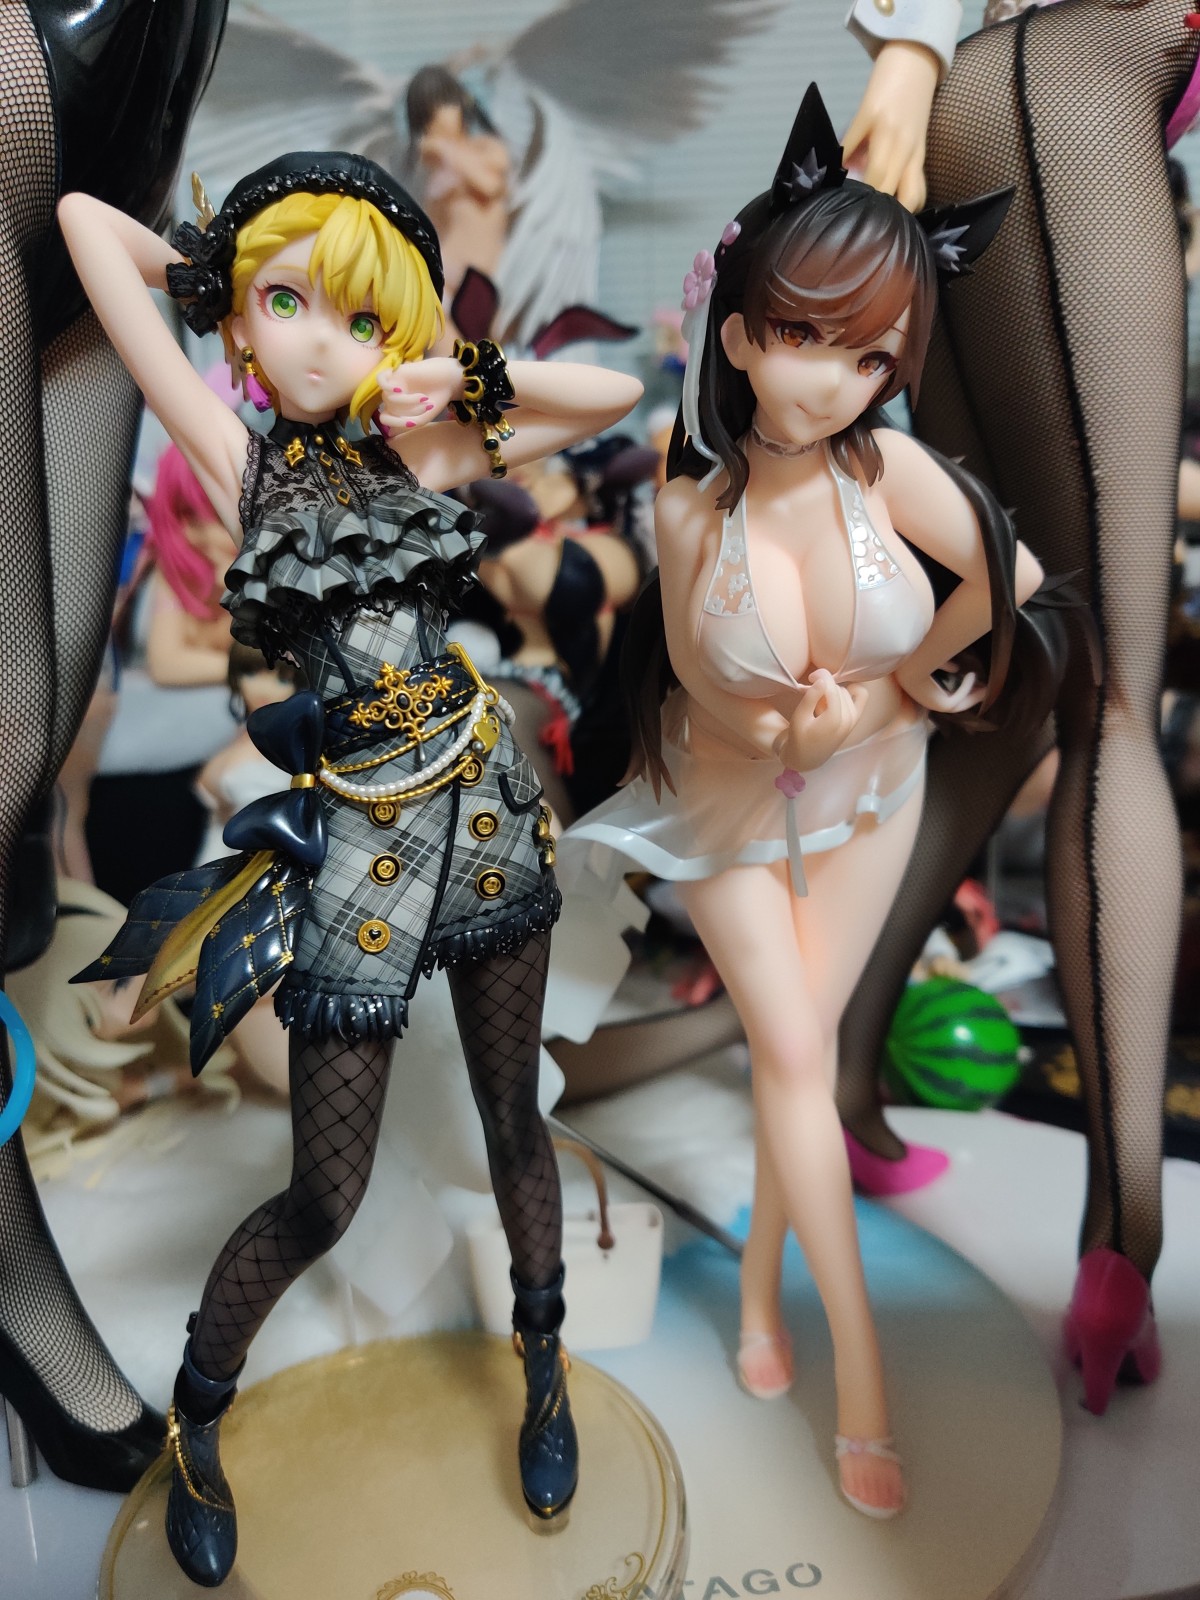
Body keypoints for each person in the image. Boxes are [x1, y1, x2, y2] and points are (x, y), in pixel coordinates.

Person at [59, 149, 642, 1585]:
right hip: (361, 834)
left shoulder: (424, 445)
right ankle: (197, 1419)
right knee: (325, 1192)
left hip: (484, 798)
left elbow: (614, 397)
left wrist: (454, 372)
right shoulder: (239, 456)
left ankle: (546, 1367)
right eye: (287, 305)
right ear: (243, 323)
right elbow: (81, 226)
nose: (322, 343)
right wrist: (220, 271)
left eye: (358, 315)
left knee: (513, 1121)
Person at [563, 86, 1050, 1519]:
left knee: (798, 1057)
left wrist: (896, 696)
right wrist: (793, 718)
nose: (835, 380)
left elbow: (1010, 580)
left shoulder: (886, 470)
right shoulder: (689, 504)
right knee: (790, 1054)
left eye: (871, 353)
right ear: (737, 336)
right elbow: (709, 694)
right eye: (802, 336)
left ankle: (761, 1295)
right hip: (721, 800)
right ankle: (865, 1390)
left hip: (874, 792)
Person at [837, 0, 1200, 1415]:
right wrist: (907, 46)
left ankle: (836, 1074)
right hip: (1077, 72)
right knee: (1115, 703)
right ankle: (1123, 1236)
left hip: (990, 107)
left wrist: (916, 62)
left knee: (1015, 684)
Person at [0, 0, 227, 1496]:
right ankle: (13, 1279)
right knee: (4, 732)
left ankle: (7, 1277)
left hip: (148, 73)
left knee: (33, 744)